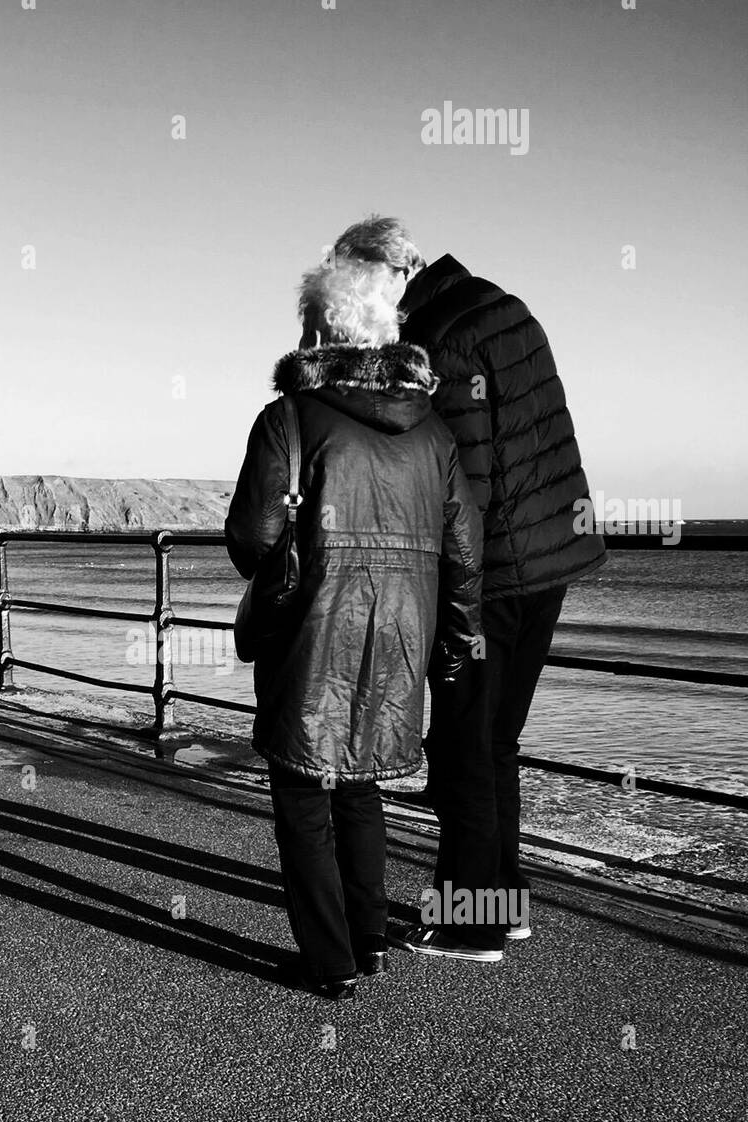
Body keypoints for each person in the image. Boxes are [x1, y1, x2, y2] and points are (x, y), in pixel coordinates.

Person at [317, 217, 607, 960]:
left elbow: (466, 488)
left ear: (384, 279)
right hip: (550, 564)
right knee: (496, 742)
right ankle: (503, 905)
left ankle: (471, 924)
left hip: (496, 574)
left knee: (463, 750)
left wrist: (449, 597)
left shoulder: (442, 341)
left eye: (356, 288)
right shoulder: (505, 307)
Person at [226, 254, 483, 997]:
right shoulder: (432, 432)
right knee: (361, 782)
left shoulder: (287, 419)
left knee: (304, 793)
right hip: (400, 636)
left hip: (311, 632)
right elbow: (465, 552)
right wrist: (461, 640)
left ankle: (329, 959)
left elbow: (251, 538)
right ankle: (368, 939)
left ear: (319, 328)